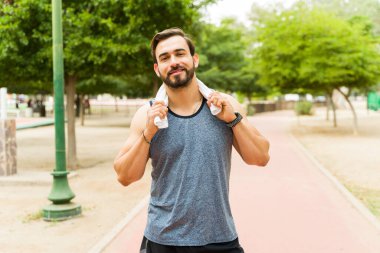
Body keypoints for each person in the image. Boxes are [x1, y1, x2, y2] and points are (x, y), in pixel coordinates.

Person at [113, 27, 270, 253]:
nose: (174, 61)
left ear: (194, 59)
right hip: (163, 240)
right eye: (165, 58)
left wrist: (232, 120)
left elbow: (261, 157)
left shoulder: (225, 105)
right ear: (157, 69)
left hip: (219, 238)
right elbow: (124, 176)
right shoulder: (146, 115)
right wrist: (148, 133)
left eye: (180, 53)